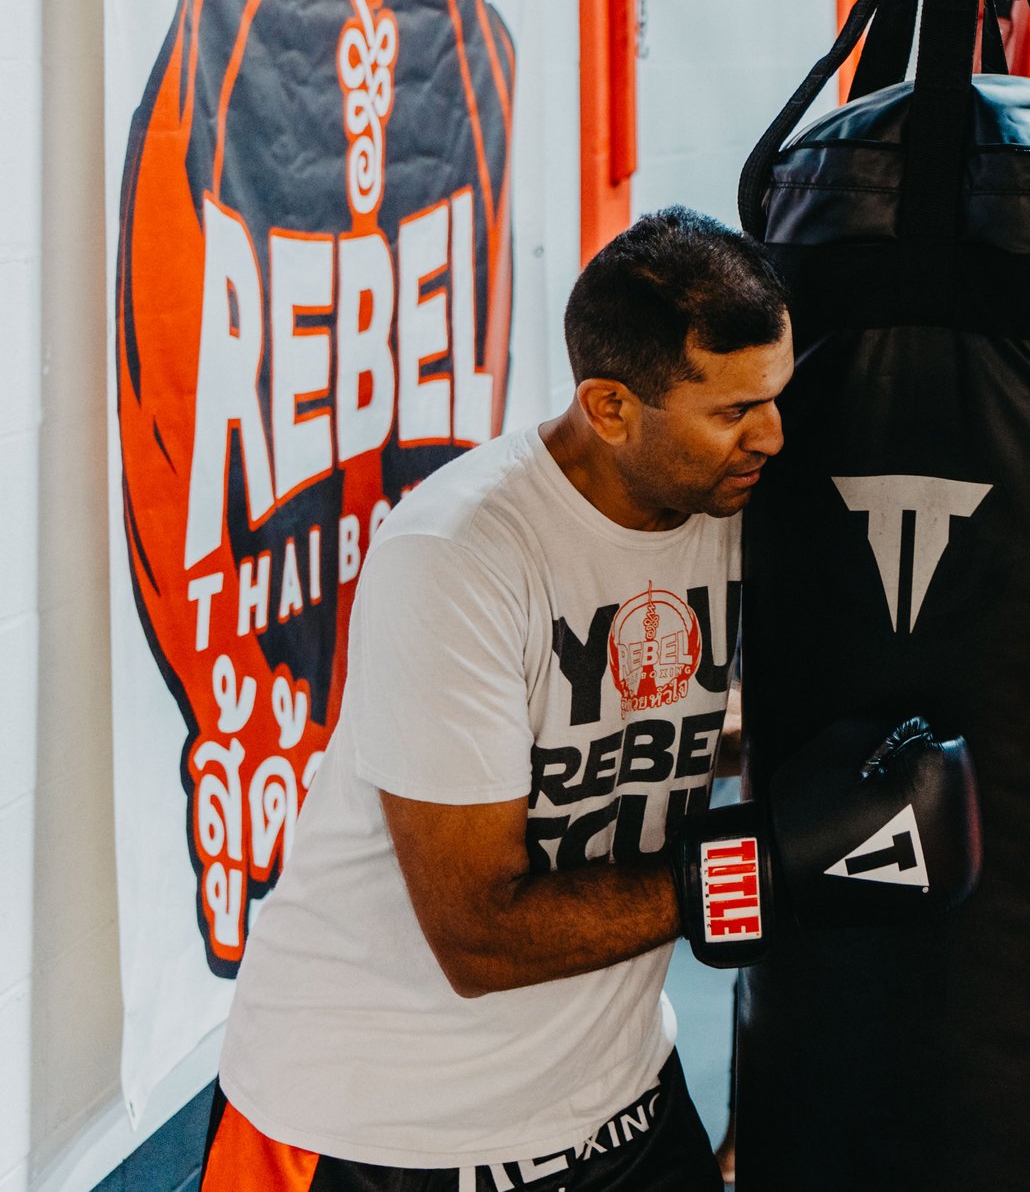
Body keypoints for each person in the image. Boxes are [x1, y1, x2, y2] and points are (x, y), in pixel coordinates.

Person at [204, 208, 978, 1191]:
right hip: (382, 1130)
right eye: (733, 409)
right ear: (610, 407)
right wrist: (771, 868)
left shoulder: (728, 505)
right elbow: (478, 931)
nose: (773, 434)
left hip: (622, 1104)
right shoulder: (460, 558)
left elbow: (641, 723)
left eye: (776, 395)